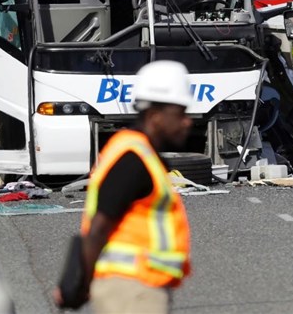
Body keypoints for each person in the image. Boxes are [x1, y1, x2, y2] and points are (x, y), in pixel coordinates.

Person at [54, 60, 193, 313]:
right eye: (180, 113)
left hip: (132, 286)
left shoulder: (139, 153)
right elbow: (99, 227)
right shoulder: (134, 160)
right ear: (155, 115)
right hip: (131, 290)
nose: (187, 121)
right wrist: (79, 285)